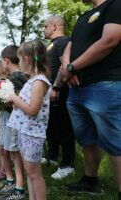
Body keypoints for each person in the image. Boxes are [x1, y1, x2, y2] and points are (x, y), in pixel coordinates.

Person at [54, 0, 121, 198]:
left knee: (115, 141)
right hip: (77, 87)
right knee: (86, 137)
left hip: (105, 83)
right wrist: (68, 70)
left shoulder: (115, 5)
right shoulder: (84, 16)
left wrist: (72, 68)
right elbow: (69, 47)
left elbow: (110, 40)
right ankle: (90, 181)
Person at [7, 40, 51, 200]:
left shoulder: (39, 82)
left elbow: (33, 110)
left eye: (19, 59)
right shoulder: (32, 81)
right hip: (25, 132)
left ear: (26, 59)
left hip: (33, 134)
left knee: (35, 175)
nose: (18, 63)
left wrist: (15, 98)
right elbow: (25, 106)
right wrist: (15, 103)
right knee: (30, 173)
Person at [43, 15, 75, 179]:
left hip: (61, 91)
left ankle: (68, 165)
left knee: (63, 127)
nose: (43, 29)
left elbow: (65, 65)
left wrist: (57, 87)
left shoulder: (63, 42)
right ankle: (53, 156)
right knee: (52, 126)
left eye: (45, 26)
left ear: (55, 26)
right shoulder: (51, 45)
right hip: (50, 93)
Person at [0, 45, 27, 200]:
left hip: (15, 119)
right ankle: (10, 181)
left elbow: (20, 101)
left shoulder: (18, 78)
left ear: (6, 61)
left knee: (15, 153)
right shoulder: (12, 78)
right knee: (5, 150)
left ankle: (19, 188)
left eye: (2, 61)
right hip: (6, 117)